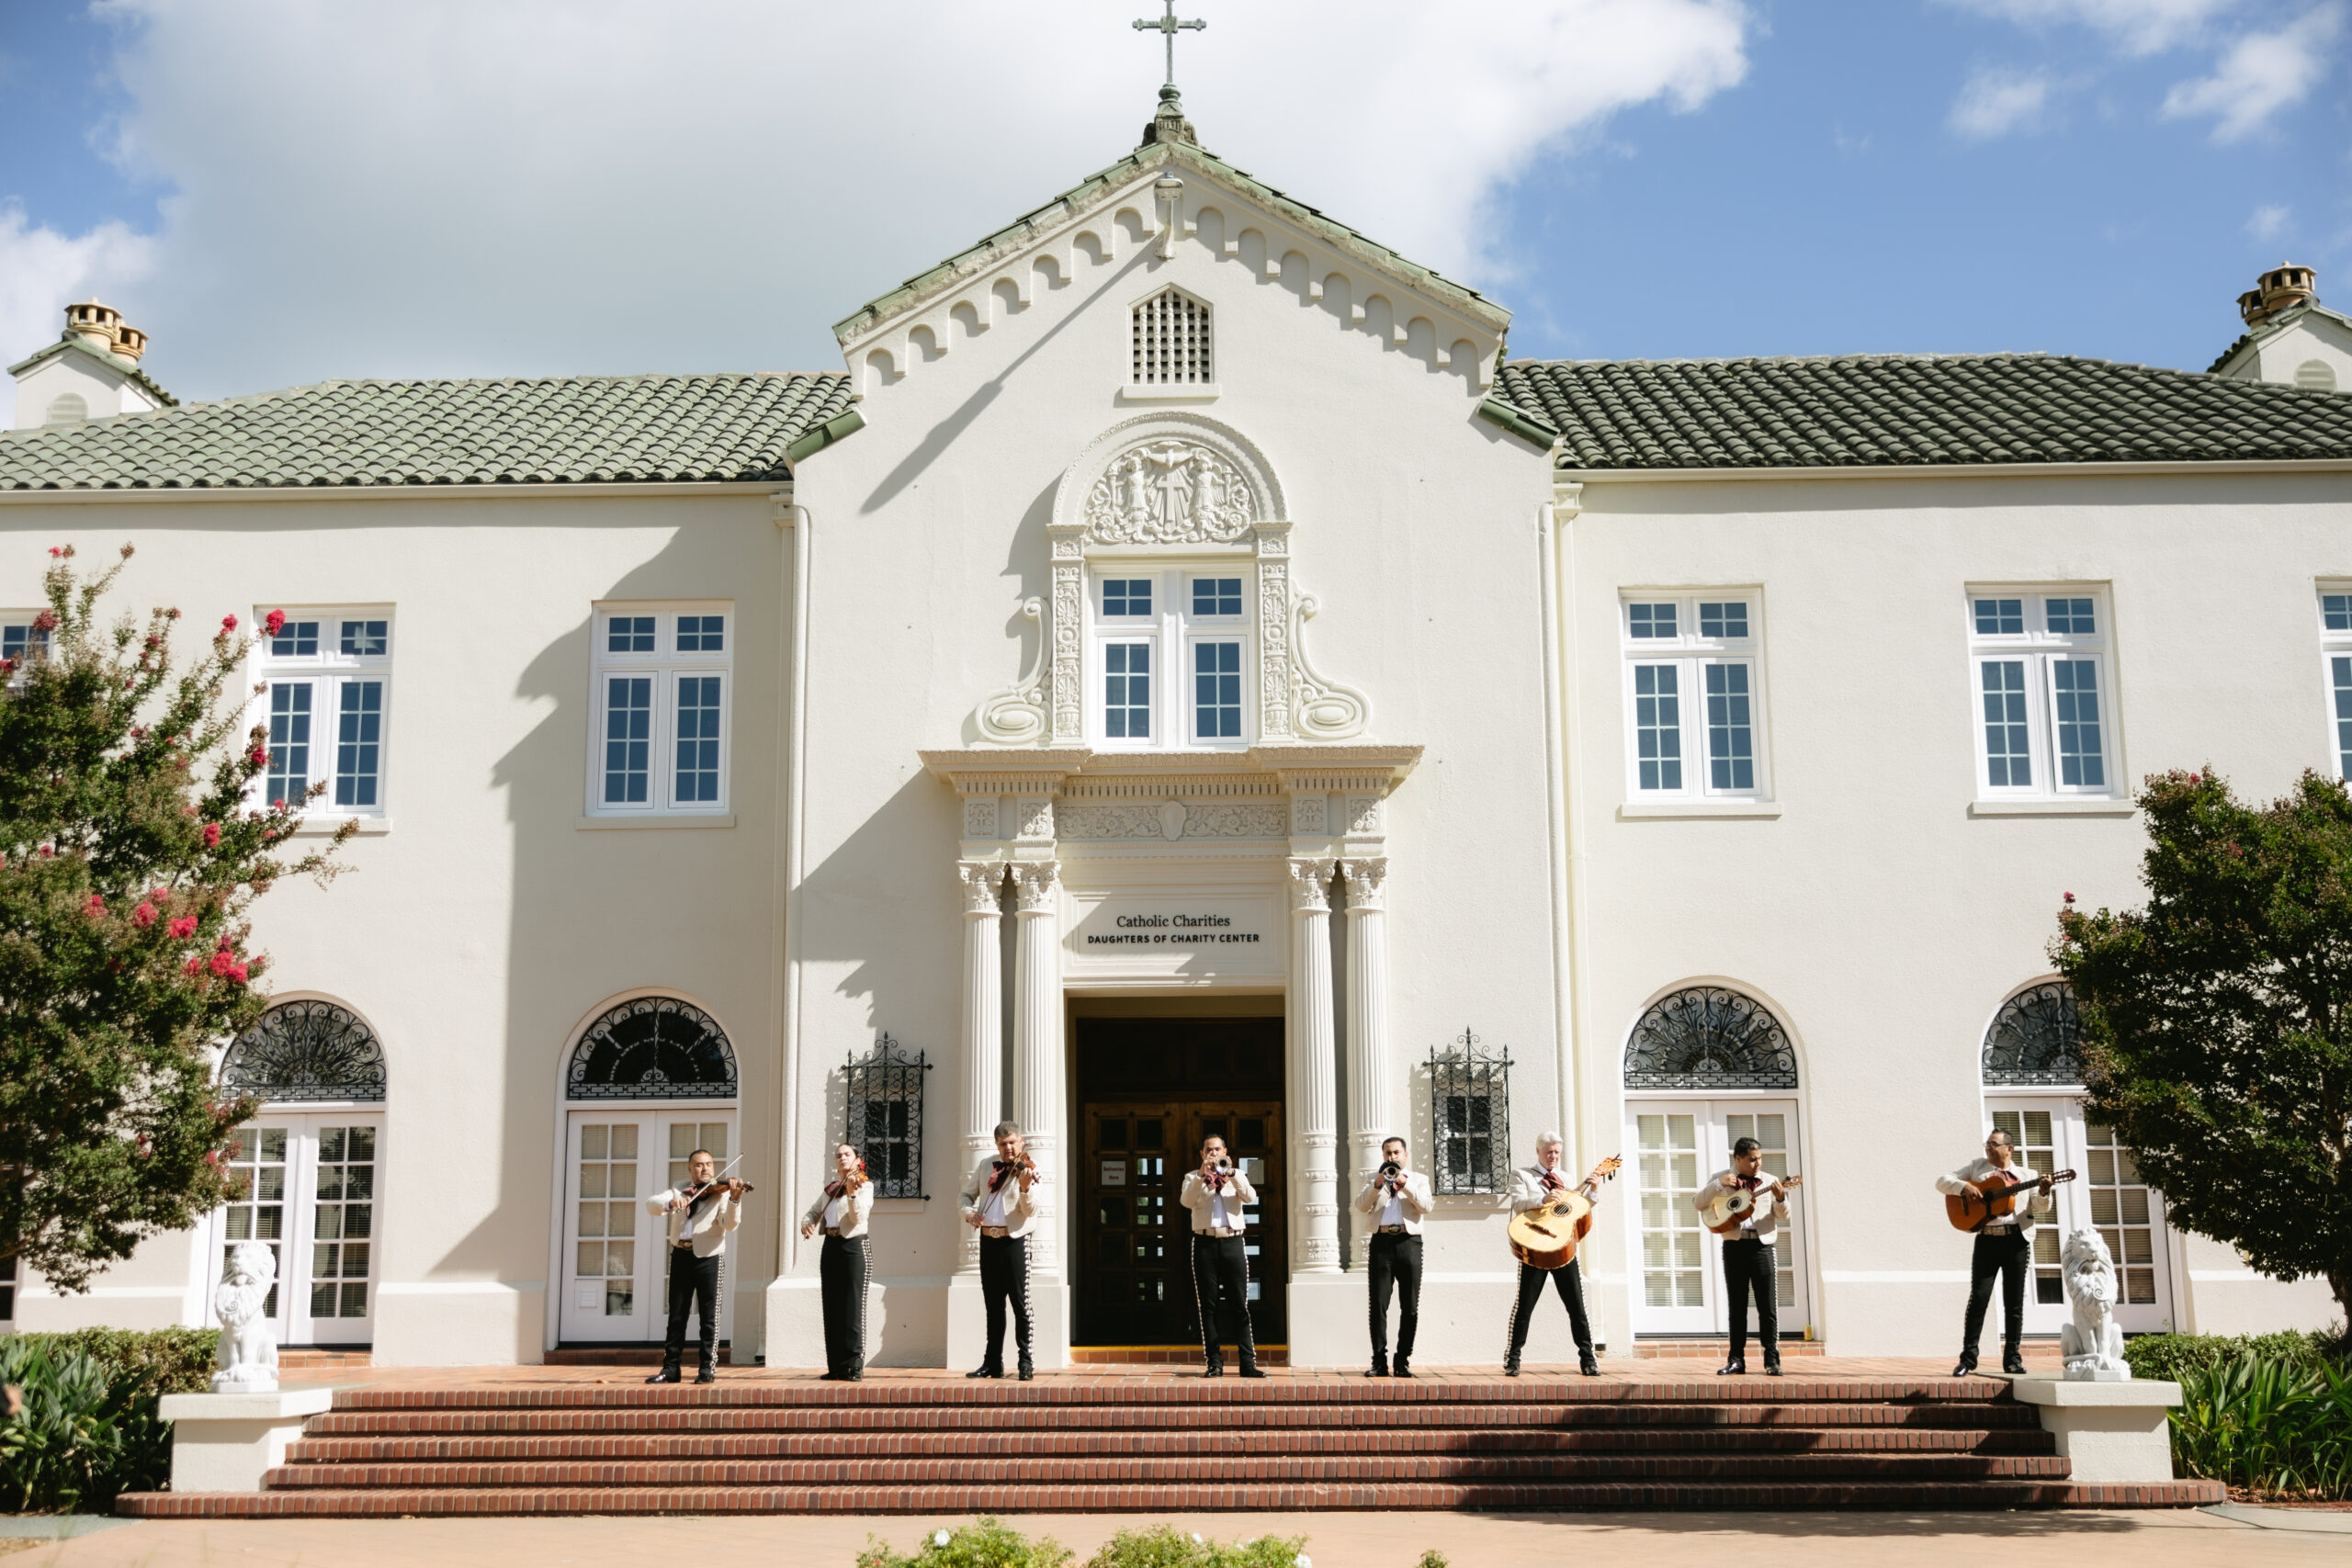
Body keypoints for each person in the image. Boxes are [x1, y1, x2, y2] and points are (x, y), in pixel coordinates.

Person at [1936, 1127, 2055, 1376]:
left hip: (2016, 1242)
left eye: (1993, 1144)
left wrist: (2044, 1190)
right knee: (1978, 1298)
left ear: (2008, 1149)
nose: (1987, 1148)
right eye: (1987, 1144)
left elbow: (2041, 1207)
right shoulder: (1978, 1168)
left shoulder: (2027, 1175)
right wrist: (1963, 1187)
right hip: (1987, 1241)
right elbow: (1942, 1182)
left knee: (2014, 1304)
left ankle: (2012, 1359)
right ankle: (1968, 1360)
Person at [644, 1148, 747, 1384]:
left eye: (709, 1164)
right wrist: (672, 1202)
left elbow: (729, 1224)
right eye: (699, 1165)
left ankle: (707, 1369)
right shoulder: (679, 1188)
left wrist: (734, 1198)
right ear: (689, 1169)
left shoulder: (720, 1193)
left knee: (709, 1318)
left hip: (709, 1257)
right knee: (676, 1316)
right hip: (681, 1254)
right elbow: (652, 1204)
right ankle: (671, 1369)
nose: (705, 1169)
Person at [1504, 1132, 1601, 1378]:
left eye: (1557, 1152)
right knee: (1524, 1307)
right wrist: (1542, 1198)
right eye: (1549, 1152)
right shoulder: (1522, 1175)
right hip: (1535, 1248)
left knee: (1577, 1307)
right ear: (1538, 1151)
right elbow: (1517, 1203)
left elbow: (1578, 1210)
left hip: (1563, 1250)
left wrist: (1592, 1191)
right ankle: (1512, 1360)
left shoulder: (1566, 1178)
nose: (1553, 1157)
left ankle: (1588, 1360)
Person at [1699, 1136, 1795, 1377]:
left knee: (1767, 1307)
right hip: (1735, 1245)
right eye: (1752, 1159)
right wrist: (1718, 1185)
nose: (1757, 1164)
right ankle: (1736, 1360)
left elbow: (1783, 1216)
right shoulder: (1720, 1178)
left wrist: (1781, 1197)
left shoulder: (1771, 1181)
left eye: (1760, 1159)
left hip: (1763, 1247)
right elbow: (1698, 1203)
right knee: (1737, 1306)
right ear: (1738, 1159)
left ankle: (1772, 1360)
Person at [958, 1120, 1040, 1381]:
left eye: (1013, 1142)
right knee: (993, 1306)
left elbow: (1031, 1211)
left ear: (1021, 1141)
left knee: (1020, 1303)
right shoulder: (986, 1165)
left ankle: (1026, 1361)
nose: (1009, 1148)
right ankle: (993, 1362)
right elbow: (965, 1196)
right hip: (988, 1241)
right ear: (997, 1145)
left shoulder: (1028, 1169)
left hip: (1015, 1240)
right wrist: (969, 1213)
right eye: (1003, 1144)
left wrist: (1025, 1188)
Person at [1181, 1134, 1264, 1378]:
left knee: (1240, 1305)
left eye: (1217, 1149)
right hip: (1204, 1243)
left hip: (1233, 1242)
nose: (1214, 1154)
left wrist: (1233, 1175)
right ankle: (1214, 1363)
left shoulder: (1236, 1174)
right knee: (1209, 1306)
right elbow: (1186, 1202)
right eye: (1209, 1150)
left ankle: (1247, 1363)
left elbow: (1250, 1197)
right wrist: (1201, 1174)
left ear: (1225, 1151)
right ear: (1202, 1153)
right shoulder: (1192, 1177)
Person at [1353, 1134, 1431, 1378]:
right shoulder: (1374, 1180)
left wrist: (1404, 1183)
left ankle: (1402, 1360)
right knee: (1378, 1305)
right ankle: (1379, 1361)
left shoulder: (1419, 1179)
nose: (1391, 1157)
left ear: (1405, 1155)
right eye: (1387, 1153)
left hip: (1409, 1241)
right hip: (1382, 1242)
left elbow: (1426, 1206)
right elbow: (1360, 1206)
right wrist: (1378, 1184)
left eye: (1396, 1153)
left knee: (1409, 1306)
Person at [800, 1142, 874, 1382]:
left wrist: (852, 1193)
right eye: (839, 1155)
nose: (842, 1158)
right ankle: (836, 1366)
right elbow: (812, 1211)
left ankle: (854, 1365)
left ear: (856, 1158)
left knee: (852, 1308)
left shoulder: (865, 1186)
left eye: (847, 1155)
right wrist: (807, 1223)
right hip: (830, 1246)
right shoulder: (831, 1188)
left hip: (853, 1246)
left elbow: (858, 1216)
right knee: (831, 1307)